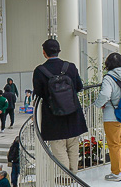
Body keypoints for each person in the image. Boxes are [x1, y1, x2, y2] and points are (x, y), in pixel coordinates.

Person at [33, 38, 87, 174]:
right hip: (73, 114)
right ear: (59, 51)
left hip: (53, 116)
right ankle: (74, 174)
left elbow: (39, 93)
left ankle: (66, 177)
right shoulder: (71, 67)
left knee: (59, 147)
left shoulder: (40, 71)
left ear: (44, 53)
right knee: (73, 145)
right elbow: (79, 87)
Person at [94, 52, 121, 182]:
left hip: (112, 115)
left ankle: (116, 173)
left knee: (114, 144)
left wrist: (98, 104)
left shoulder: (109, 78)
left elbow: (105, 94)